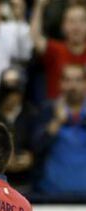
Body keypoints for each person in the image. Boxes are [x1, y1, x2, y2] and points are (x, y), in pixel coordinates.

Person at [33, 64, 86, 196]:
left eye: (78, 80)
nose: (73, 86)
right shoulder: (47, 110)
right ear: (60, 84)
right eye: (67, 80)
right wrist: (57, 121)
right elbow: (36, 148)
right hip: (52, 196)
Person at [31, 0, 86, 99]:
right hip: (55, 109)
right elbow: (35, 37)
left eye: (82, 21)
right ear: (63, 27)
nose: (77, 27)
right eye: (71, 21)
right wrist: (39, 6)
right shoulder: (55, 49)